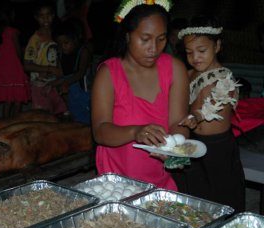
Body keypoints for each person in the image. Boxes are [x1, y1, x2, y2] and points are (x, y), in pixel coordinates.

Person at [92, 0, 190, 190]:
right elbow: (100, 131)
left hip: (159, 179)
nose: (154, 48)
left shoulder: (175, 69)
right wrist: (135, 132)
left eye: (161, 39)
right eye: (145, 39)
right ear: (128, 35)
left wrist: (174, 149)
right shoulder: (108, 74)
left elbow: (179, 122)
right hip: (116, 182)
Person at [177, 15, 246, 212]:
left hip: (218, 148)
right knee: (196, 197)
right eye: (189, 52)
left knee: (222, 196)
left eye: (201, 51)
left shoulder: (224, 78)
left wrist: (197, 116)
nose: (195, 57)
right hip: (194, 142)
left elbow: (216, 102)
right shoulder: (190, 73)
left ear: (217, 46)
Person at [24, 0, 67, 116]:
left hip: (53, 82)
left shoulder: (55, 35)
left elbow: (57, 57)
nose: (45, 19)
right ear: (36, 18)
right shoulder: (35, 39)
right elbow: (27, 65)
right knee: (42, 115)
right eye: (42, 16)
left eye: (48, 15)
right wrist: (49, 69)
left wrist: (60, 76)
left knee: (58, 113)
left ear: (53, 16)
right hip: (39, 84)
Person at [0, 1, 31, 118]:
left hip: (2, 68)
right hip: (15, 67)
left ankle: (4, 123)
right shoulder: (13, 32)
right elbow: (18, 52)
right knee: (17, 100)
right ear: (8, 15)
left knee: (8, 100)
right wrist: (23, 65)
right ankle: (14, 124)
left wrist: (1, 62)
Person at [52, 18, 94, 124]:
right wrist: (52, 84)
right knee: (75, 116)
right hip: (70, 91)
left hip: (84, 90)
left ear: (75, 39)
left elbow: (81, 73)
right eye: (60, 44)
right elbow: (61, 74)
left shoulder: (83, 52)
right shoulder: (60, 53)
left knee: (88, 117)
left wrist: (66, 83)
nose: (63, 46)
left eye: (66, 42)